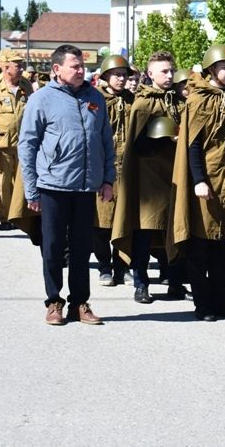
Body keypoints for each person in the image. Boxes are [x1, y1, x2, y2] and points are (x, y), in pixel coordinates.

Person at [18, 44, 114, 326]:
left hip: (86, 187)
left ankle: (80, 303)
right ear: (57, 69)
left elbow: (105, 141)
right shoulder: (42, 99)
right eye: (75, 66)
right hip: (53, 186)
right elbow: (28, 145)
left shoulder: (95, 97)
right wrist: (32, 189)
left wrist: (107, 179)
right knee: (53, 247)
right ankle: (54, 301)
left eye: (82, 65)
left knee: (82, 248)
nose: (81, 70)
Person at [169, 44, 225, 321]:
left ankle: (220, 301)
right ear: (211, 70)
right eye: (224, 67)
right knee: (200, 247)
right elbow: (192, 143)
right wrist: (199, 179)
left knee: (224, 248)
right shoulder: (198, 99)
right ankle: (202, 304)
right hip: (207, 181)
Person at [112, 51, 185, 304]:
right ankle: (141, 284)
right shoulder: (143, 103)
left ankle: (175, 282)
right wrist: (166, 138)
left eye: (171, 70)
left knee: (175, 231)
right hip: (149, 180)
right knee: (144, 233)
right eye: (163, 71)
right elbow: (137, 145)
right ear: (150, 74)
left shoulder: (179, 101)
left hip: (175, 177)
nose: (169, 75)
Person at [92, 55, 133, 286]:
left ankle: (122, 267)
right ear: (106, 76)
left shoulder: (132, 100)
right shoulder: (96, 100)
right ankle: (104, 267)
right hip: (103, 168)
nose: (121, 78)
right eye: (116, 74)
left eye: (124, 74)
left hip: (127, 170)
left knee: (124, 222)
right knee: (101, 223)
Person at [0, 50, 34, 230]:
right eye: (17, 65)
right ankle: (5, 216)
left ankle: (19, 214)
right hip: (2, 142)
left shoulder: (26, 85)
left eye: (22, 65)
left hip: (24, 142)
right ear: (6, 67)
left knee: (21, 181)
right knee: (2, 181)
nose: (21, 68)